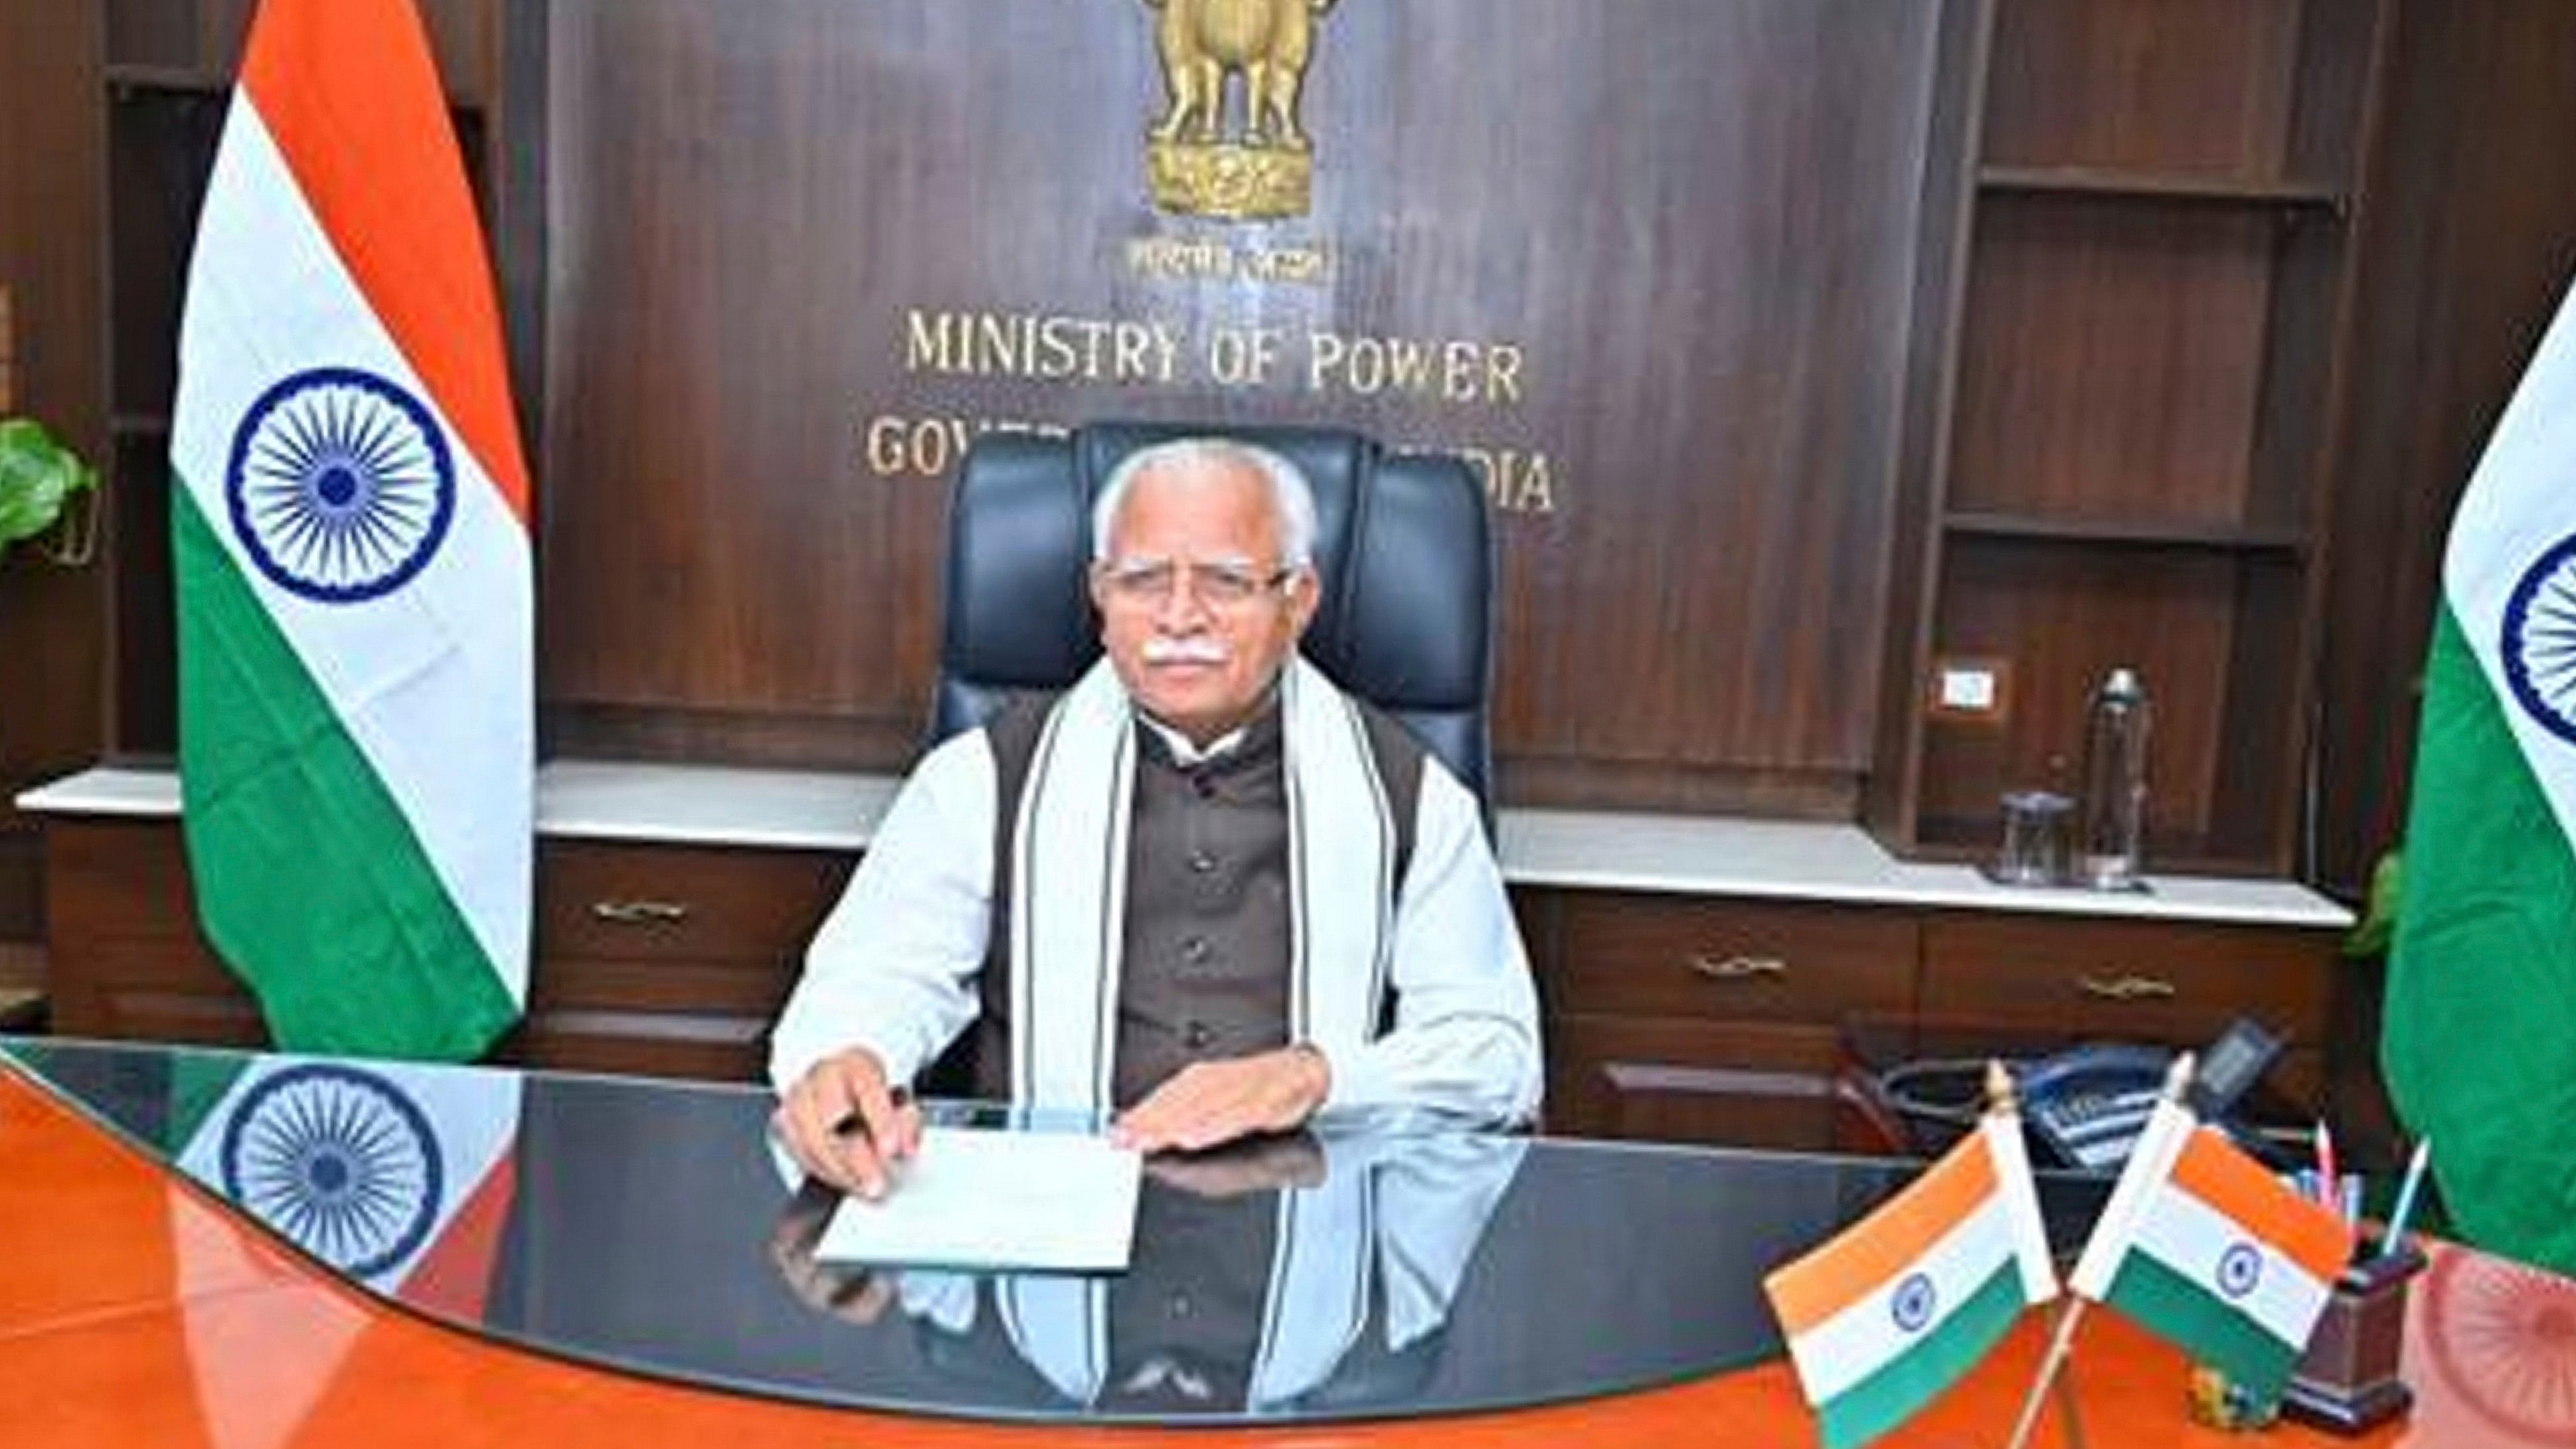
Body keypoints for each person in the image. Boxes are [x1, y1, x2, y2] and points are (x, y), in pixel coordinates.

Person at [768, 436, 1541, 1195]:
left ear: (1298, 601)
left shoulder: (1414, 795)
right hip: (1041, 1222)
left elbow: (1498, 1055)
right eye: (1142, 579)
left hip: (1313, 1218)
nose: (1179, 616)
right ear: (1101, 596)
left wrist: (1313, 1077)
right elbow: (875, 981)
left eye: (1227, 581)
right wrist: (848, 1062)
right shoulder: (980, 778)